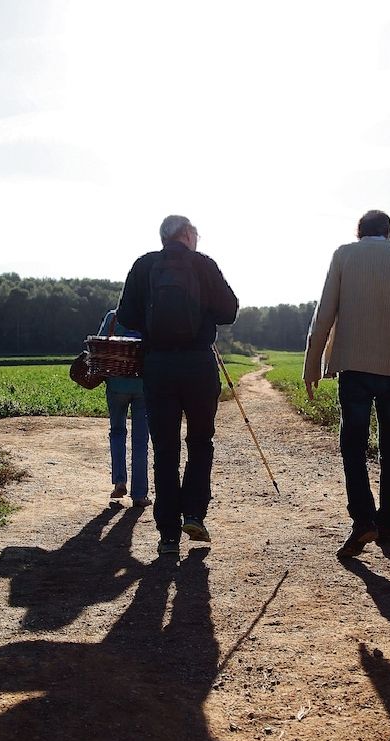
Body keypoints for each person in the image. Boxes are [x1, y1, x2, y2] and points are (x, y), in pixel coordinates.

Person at [304, 209, 390, 558]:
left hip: (353, 367)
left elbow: (324, 312)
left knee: (353, 445)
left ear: (359, 232)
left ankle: (362, 520)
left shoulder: (344, 256)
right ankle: (387, 522)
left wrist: (312, 365)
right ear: (389, 232)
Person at [116, 215, 239, 556]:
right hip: (199, 365)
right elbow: (229, 311)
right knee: (200, 442)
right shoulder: (203, 265)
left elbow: (125, 316)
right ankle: (195, 514)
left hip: (158, 366)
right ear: (186, 234)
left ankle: (168, 534)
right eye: (196, 233)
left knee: (165, 450)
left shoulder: (144, 265)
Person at [99, 309, 150, 507]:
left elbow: (100, 345)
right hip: (143, 386)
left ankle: (119, 481)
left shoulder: (113, 317)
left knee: (117, 432)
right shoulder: (146, 316)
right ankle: (139, 494)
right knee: (140, 440)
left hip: (116, 385)